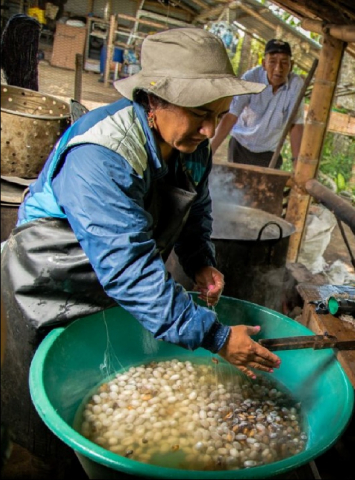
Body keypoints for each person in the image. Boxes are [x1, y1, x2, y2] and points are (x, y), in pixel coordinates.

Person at [0, 27, 281, 471]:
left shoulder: (191, 144)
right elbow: (130, 271)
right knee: (44, 403)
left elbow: (196, 207)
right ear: (154, 100)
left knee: (99, 370)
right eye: (199, 114)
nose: (210, 129)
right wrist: (219, 338)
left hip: (110, 275)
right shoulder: (102, 156)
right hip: (49, 277)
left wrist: (200, 261)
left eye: (219, 114)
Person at [209, 39, 304, 169]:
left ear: (291, 65)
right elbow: (231, 115)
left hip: (269, 152)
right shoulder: (250, 79)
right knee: (233, 187)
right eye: (272, 62)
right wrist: (210, 151)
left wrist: (297, 164)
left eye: (284, 63)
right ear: (264, 64)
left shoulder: (296, 85)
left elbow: (296, 125)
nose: (278, 68)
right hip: (241, 146)